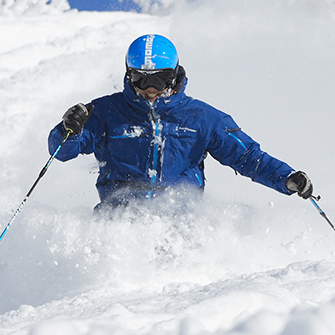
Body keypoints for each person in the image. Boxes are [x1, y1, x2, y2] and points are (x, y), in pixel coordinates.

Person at [48, 34, 313, 212]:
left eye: (160, 80)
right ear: (129, 76)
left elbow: (247, 157)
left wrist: (286, 177)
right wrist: (69, 129)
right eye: (141, 79)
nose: (150, 89)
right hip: (118, 219)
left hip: (179, 221)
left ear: (174, 75)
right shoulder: (106, 111)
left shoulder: (203, 118)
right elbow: (61, 152)